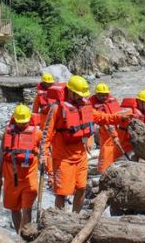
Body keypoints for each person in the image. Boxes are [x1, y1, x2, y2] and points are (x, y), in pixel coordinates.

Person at [42, 75, 120, 213]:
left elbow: (102, 117)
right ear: (70, 91)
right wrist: (43, 155)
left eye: (81, 95)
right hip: (63, 157)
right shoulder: (57, 108)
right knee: (62, 192)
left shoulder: (84, 105)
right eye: (78, 95)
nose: (80, 98)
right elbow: (46, 134)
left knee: (82, 188)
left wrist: (120, 116)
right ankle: (59, 219)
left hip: (80, 155)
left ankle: (75, 217)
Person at [0, 104, 42, 231]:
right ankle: (18, 234)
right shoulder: (8, 132)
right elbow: (1, 152)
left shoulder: (37, 133)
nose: (22, 125)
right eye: (19, 122)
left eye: (24, 122)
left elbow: (45, 151)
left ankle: (26, 235)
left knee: (27, 209)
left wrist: (46, 166)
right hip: (11, 176)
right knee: (14, 208)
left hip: (29, 176)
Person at [90, 82, 125, 174]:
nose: (104, 97)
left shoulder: (112, 100)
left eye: (105, 95)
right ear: (96, 94)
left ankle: (114, 168)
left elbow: (119, 114)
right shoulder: (92, 105)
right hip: (105, 130)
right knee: (106, 150)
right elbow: (102, 120)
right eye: (101, 95)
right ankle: (102, 171)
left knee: (116, 151)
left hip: (117, 128)